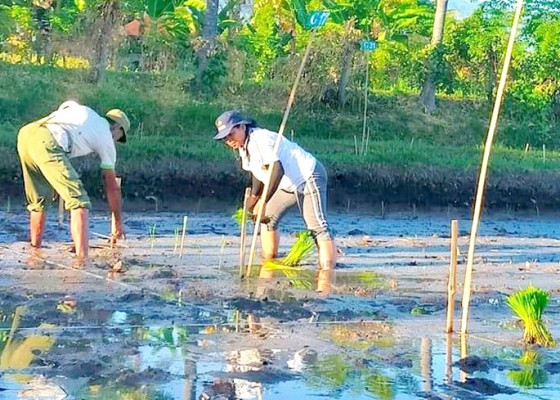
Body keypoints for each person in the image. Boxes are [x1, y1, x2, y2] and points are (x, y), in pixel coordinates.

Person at [213, 110, 336, 270]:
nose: (229, 140)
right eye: (225, 138)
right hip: (286, 184)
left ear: (242, 127)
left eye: (231, 134)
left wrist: (263, 201)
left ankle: (327, 273)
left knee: (317, 226)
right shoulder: (243, 147)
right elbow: (257, 173)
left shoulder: (261, 139)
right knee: (266, 219)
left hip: (307, 176)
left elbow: (277, 169)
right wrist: (255, 198)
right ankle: (268, 262)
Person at [17, 100, 130, 259]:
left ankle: (35, 251)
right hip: (49, 141)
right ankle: (82, 260)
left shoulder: (86, 112)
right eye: (119, 137)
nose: (115, 141)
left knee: (39, 200)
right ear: (117, 128)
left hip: (28, 133)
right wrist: (118, 223)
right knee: (79, 201)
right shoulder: (105, 135)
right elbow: (112, 186)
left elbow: (64, 111)